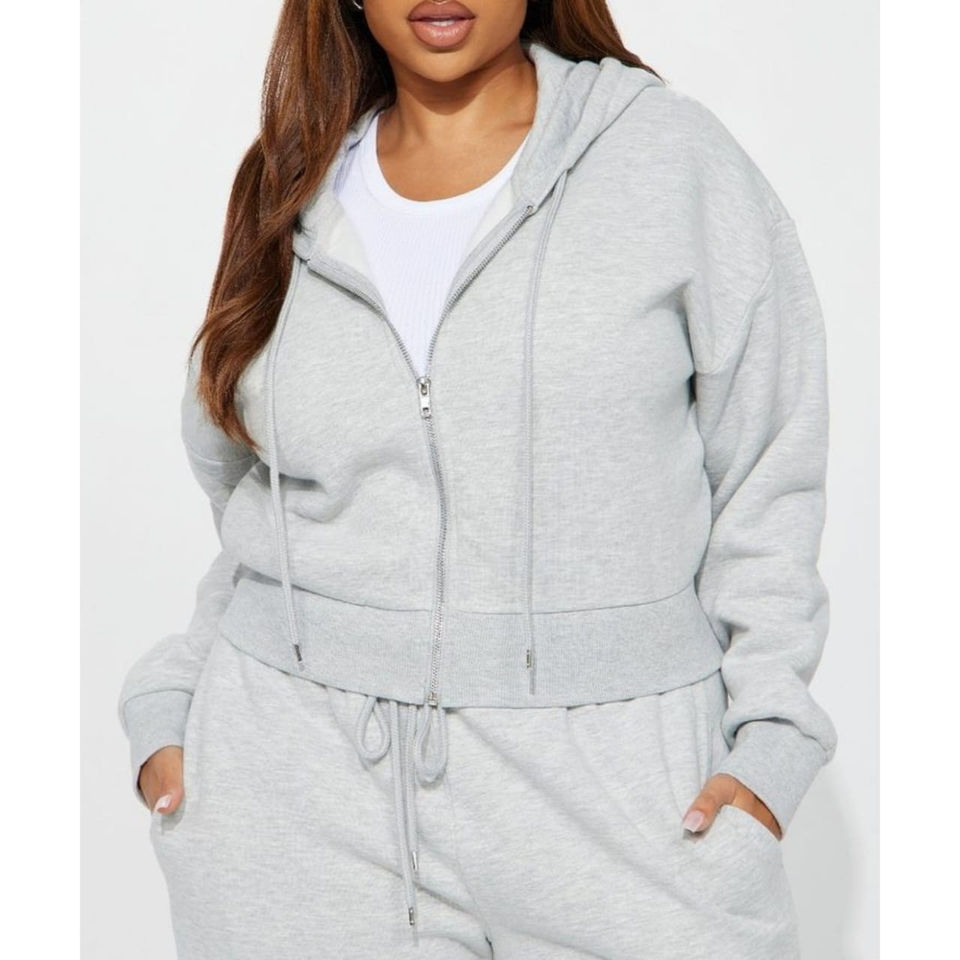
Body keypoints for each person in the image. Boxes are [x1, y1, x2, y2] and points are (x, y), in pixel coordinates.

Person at [117, 1, 839, 957]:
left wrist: (772, 745)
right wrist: (174, 702)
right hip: (295, 794)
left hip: (619, 802)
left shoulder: (668, 161)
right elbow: (248, 487)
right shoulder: (289, 180)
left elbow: (769, 467)